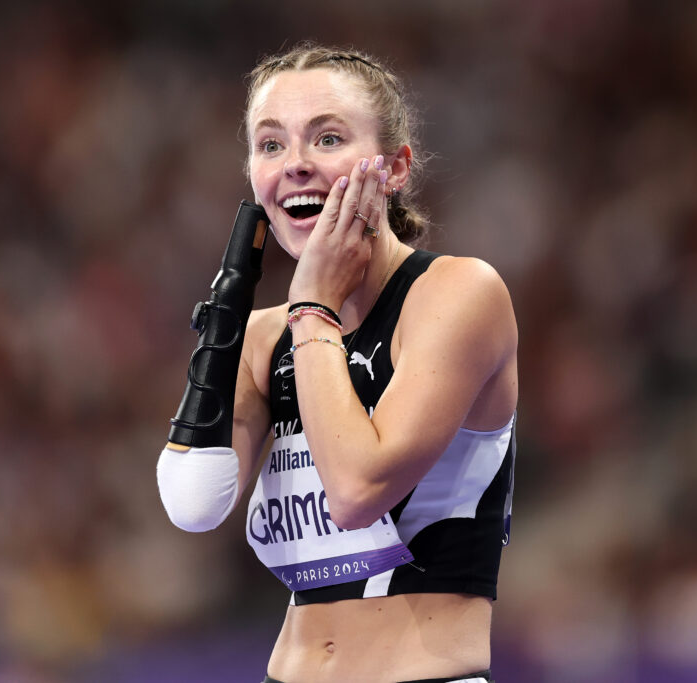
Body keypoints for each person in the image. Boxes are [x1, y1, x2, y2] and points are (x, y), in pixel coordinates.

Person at [158, 43, 518, 683]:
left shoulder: (459, 294)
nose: (294, 165)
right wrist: (226, 326)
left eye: (327, 139)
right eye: (270, 146)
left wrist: (313, 308)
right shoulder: (268, 335)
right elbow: (193, 505)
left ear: (397, 167)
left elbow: (357, 490)